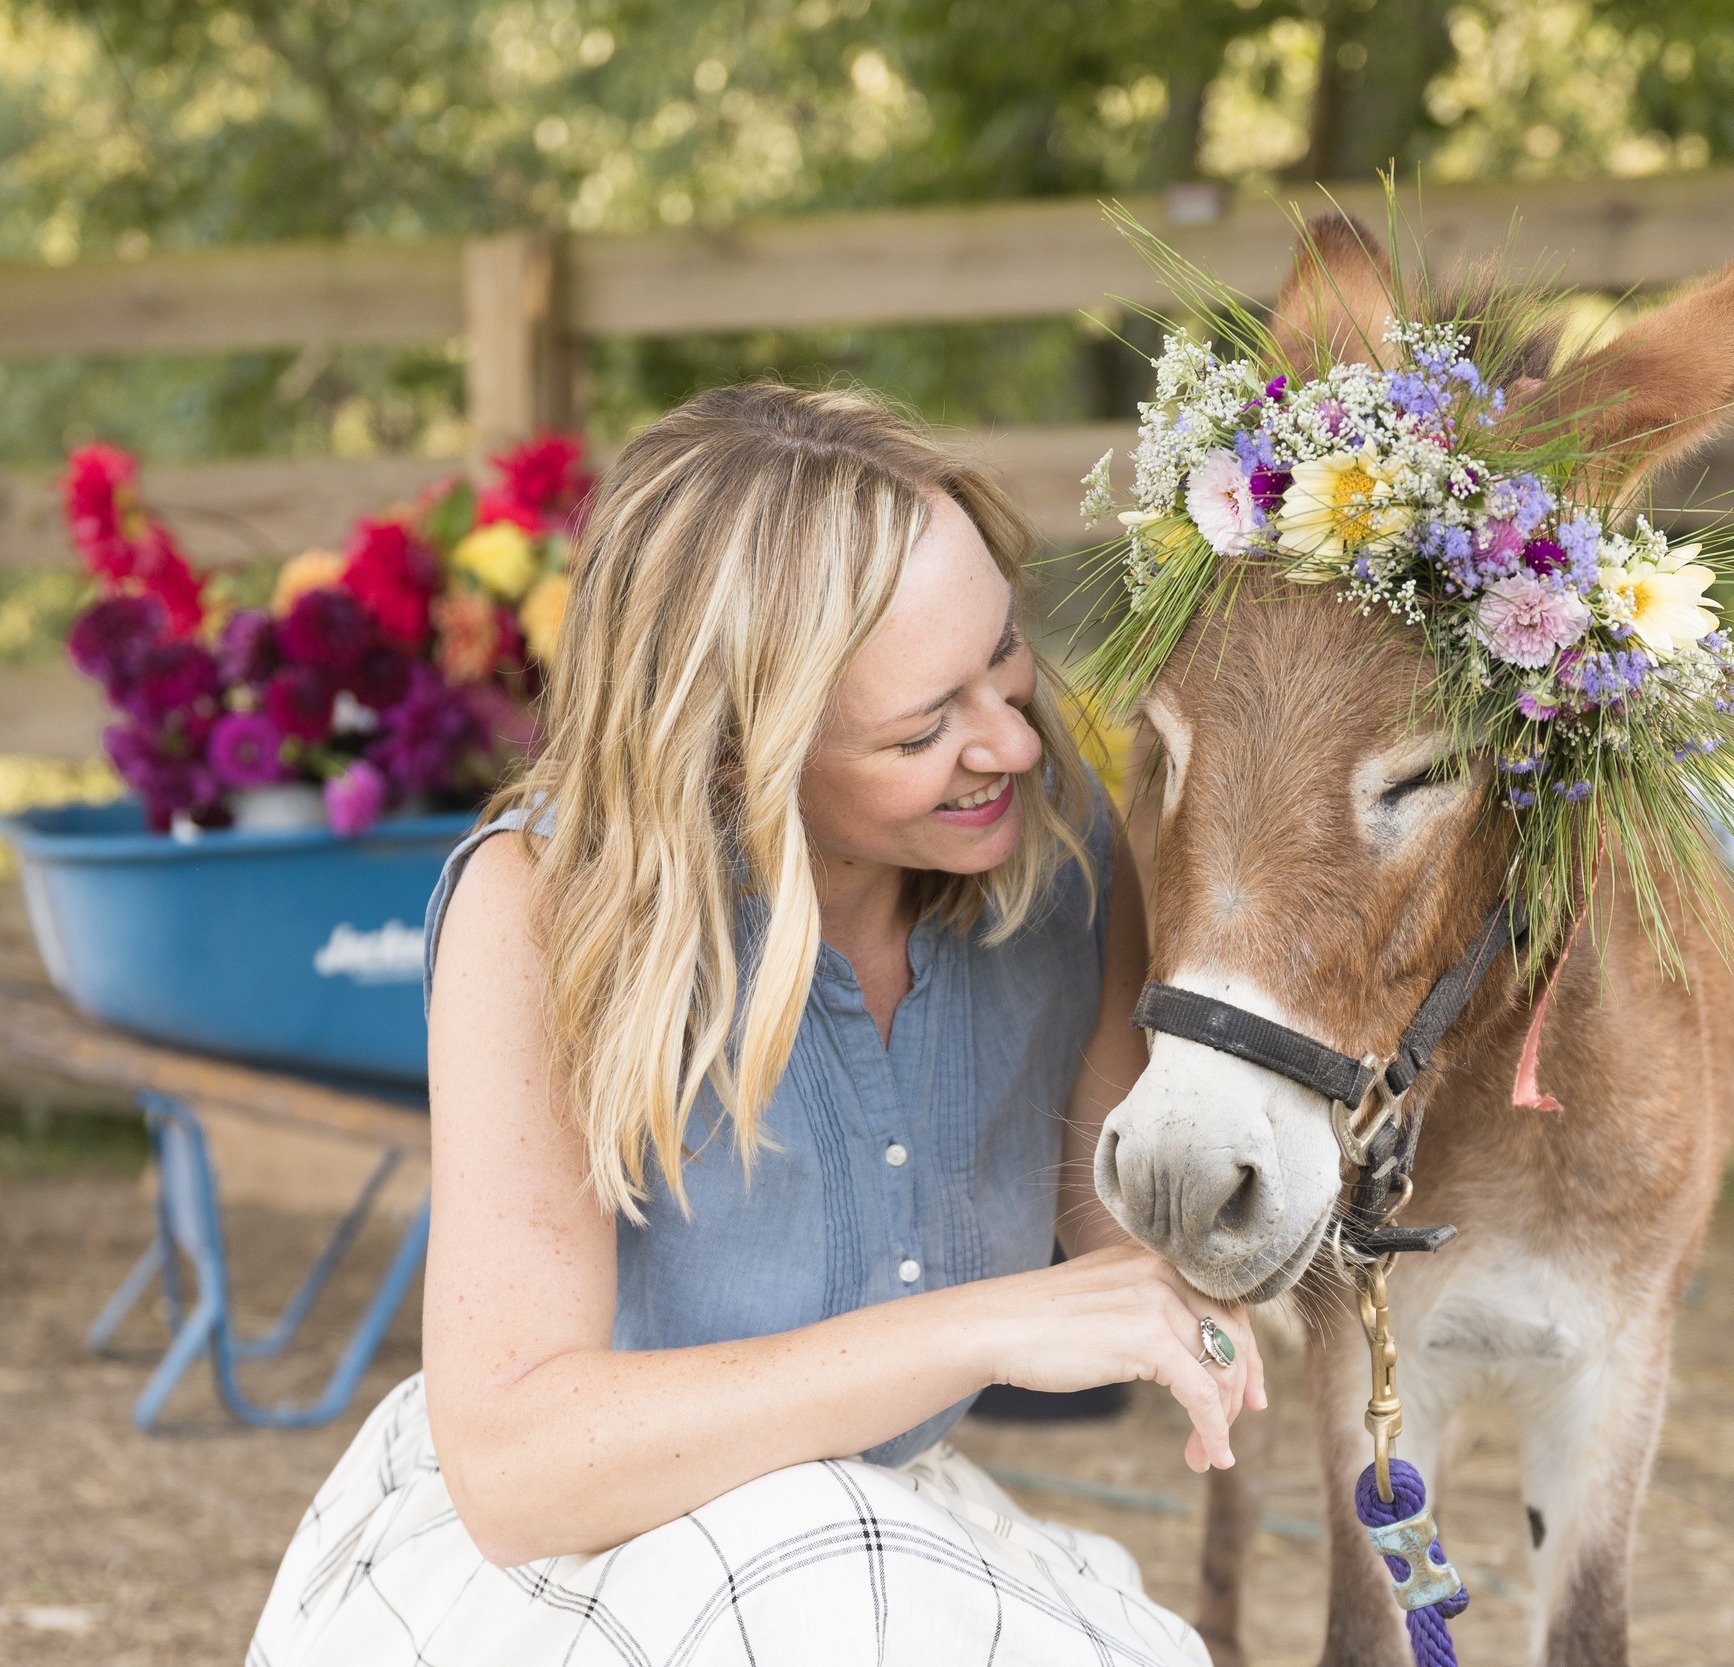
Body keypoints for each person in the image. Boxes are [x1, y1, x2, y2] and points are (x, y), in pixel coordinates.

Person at [247, 383, 1265, 1667]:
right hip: (571, 1554)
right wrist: (987, 1321)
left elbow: (1134, 1235)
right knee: (840, 1590)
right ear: (736, 753)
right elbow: (518, 1466)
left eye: (1001, 655)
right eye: (920, 726)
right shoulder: (543, 910)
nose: (1009, 739)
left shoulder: (1057, 851)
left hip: (866, 1529)